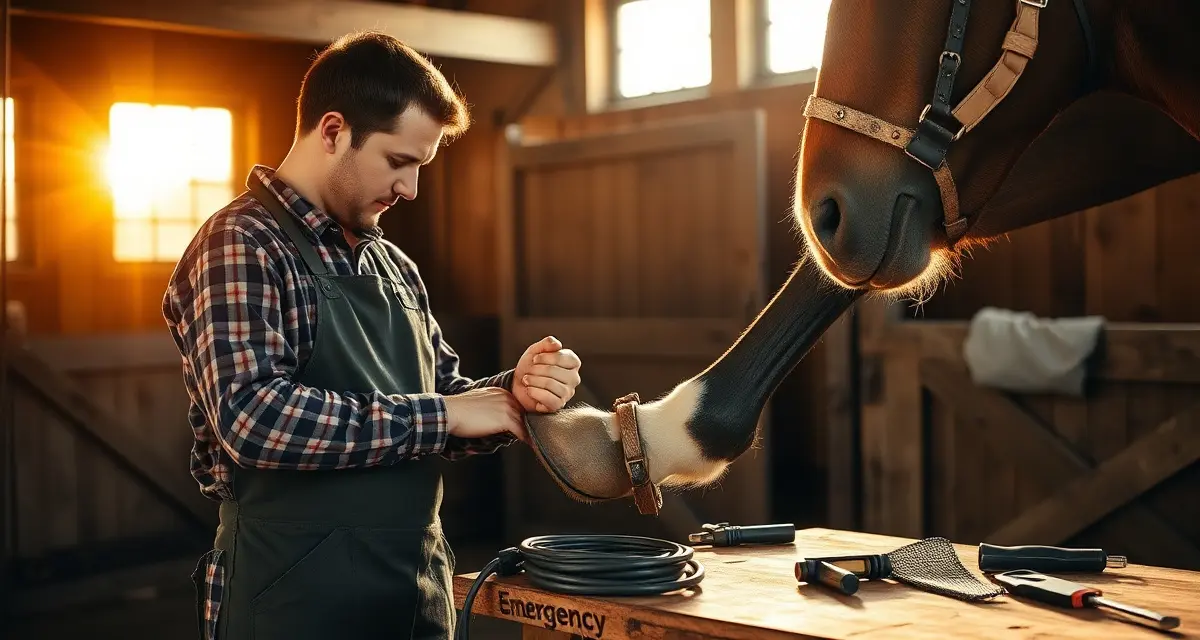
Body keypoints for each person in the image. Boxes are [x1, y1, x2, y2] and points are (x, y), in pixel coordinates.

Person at [162, 30, 582, 640]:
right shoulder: (240, 245)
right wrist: (444, 415)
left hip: (412, 590)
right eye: (398, 161)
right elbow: (253, 419)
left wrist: (514, 392)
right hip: (290, 597)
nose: (410, 189)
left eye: (421, 166)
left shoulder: (396, 267)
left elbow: (444, 395)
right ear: (332, 131)